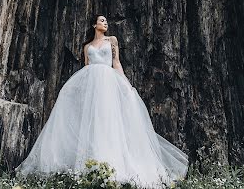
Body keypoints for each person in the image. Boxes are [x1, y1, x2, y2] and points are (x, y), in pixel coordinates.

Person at [15, 13, 189, 188]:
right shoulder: (87, 46)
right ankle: (93, 165)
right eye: (102, 20)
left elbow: (117, 63)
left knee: (109, 120)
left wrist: (126, 85)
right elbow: (86, 67)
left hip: (108, 82)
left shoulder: (111, 40)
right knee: (92, 122)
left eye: (106, 21)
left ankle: (112, 164)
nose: (105, 23)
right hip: (92, 84)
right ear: (94, 25)